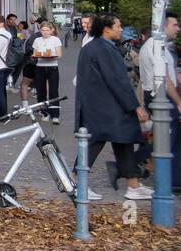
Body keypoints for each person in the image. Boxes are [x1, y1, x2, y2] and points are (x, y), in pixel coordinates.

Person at [76, 14, 153, 201]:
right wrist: (136, 106)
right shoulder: (104, 49)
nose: (121, 29)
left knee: (123, 140)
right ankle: (77, 183)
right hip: (106, 106)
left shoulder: (94, 47)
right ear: (106, 29)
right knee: (95, 142)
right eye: (118, 26)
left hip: (99, 104)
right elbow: (118, 81)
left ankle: (133, 185)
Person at [132, 11, 180, 188]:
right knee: (166, 139)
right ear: (163, 25)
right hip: (162, 97)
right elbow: (164, 79)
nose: (178, 28)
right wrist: (179, 102)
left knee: (168, 138)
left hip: (159, 95)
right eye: (174, 24)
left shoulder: (156, 45)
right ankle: (127, 165)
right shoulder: (156, 46)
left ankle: (174, 178)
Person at [30, 20, 62, 122]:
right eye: (43, 30)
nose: (45, 32)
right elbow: (35, 54)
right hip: (40, 67)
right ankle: (44, 112)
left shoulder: (56, 40)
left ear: (51, 30)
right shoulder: (37, 40)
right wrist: (35, 56)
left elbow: (59, 55)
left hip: (52, 67)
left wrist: (51, 57)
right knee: (41, 91)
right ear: (40, 30)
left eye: (47, 30)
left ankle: (55, 115)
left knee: (53, 91)